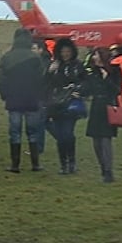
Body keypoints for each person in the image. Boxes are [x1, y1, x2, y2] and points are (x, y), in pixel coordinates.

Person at [0, 28, 47, 173]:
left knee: (15, 132)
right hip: (31, 99)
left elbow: (0, 77)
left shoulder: (7, 57)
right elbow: (41, 79)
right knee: (33, 132)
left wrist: (4, 94)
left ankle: (15, 164)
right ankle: (35, 164)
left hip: (13, 99)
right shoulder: (35, 58)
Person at [82, 47, 122, 183]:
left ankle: (108, 171)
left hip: (109, 106)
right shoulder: (92, 71)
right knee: (96, 141)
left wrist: (107, 79)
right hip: (96, 107)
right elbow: (88, 89)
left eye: (96, 55)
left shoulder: (115, 71)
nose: (94, 57)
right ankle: (103, 167)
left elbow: (117, 90)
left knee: (106, 139)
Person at [46, 37, 87, 174]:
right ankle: (63, 164)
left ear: (72, 51)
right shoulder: (55, 66)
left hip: (71, 104)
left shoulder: (78, 65)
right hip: (56, 104)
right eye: (63, 51)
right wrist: (49, 72)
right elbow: (45, 84)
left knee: (68, 134)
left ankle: (71, 162)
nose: (65, 54)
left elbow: (85, 82)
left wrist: (78, 91)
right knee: (60, 136)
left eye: (68, 51)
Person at [31, 38, 55, 155]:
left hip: (43, 96)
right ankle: (63, 138)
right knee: (44, 122)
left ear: (40, 50)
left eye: (34, 48)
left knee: (39, 123)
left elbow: (43, 79)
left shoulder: (45, 62)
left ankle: (38, 148)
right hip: (37, 96)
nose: (31, 50)